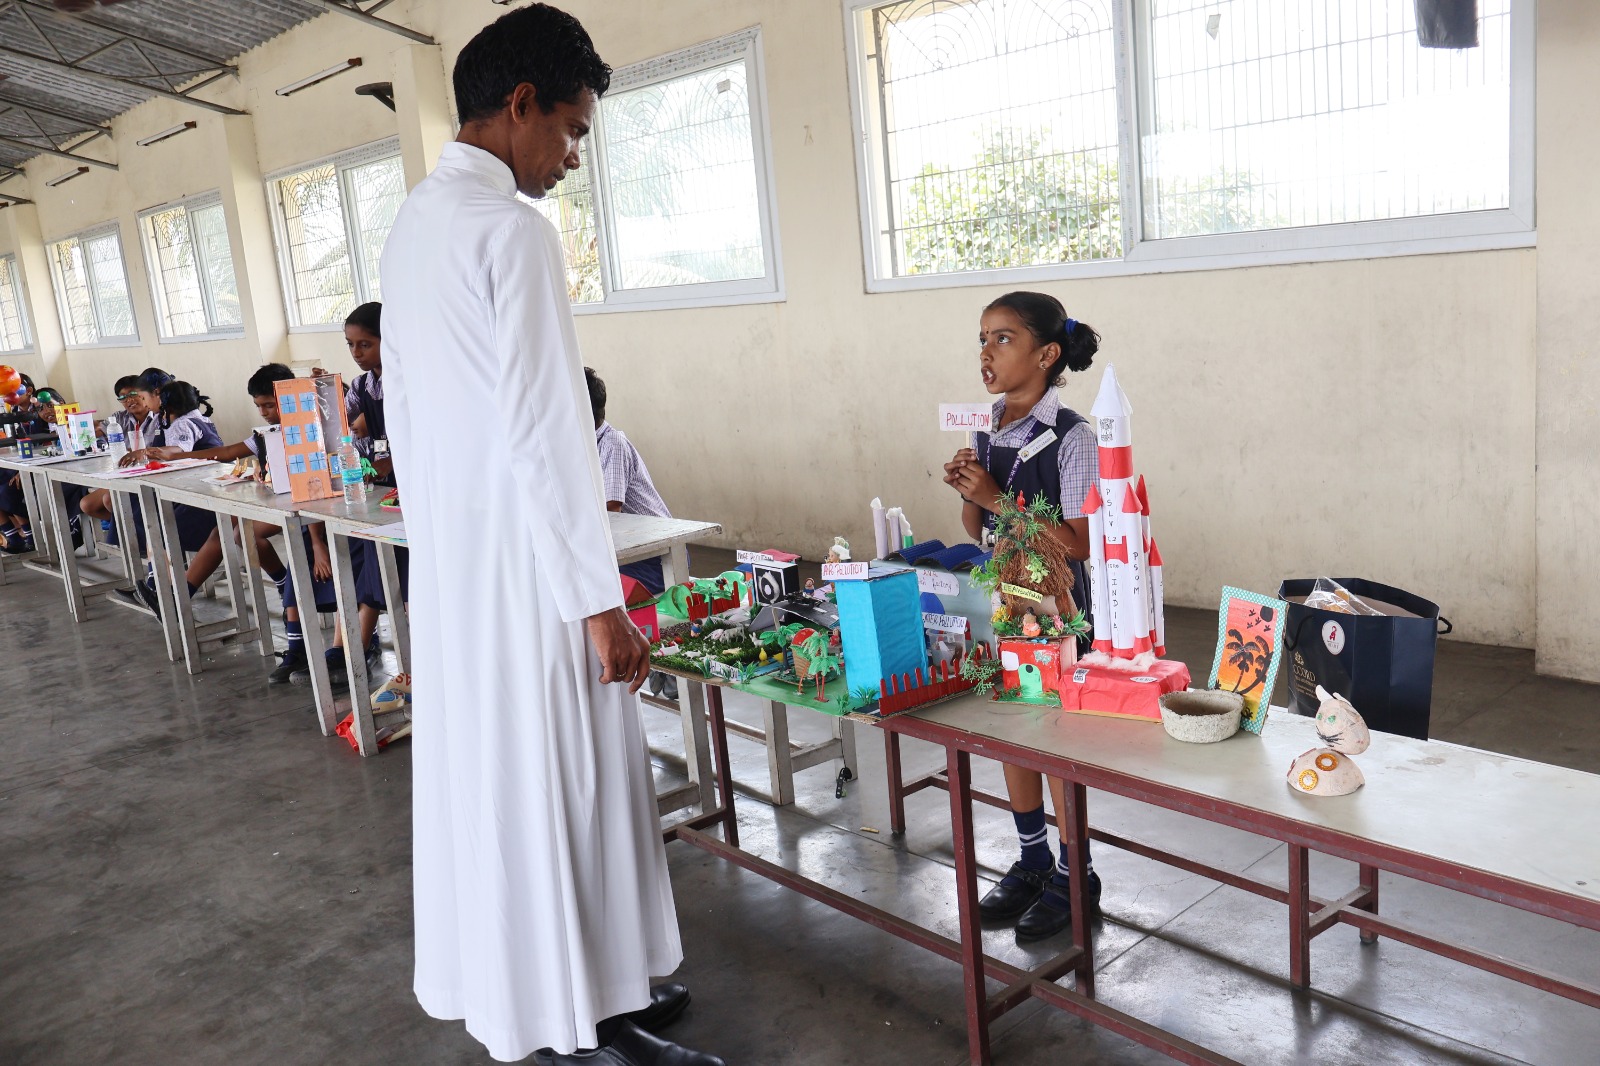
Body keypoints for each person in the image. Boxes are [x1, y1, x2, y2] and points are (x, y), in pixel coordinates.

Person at [380, 7, 714, 1065]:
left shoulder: (417, 223)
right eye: (570, 131)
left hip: (464, 569)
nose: (571, 157)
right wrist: (598, 602)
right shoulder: (510, 230)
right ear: (519, 106)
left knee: (506, 791)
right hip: (533, 578)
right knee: (564, 790)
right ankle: (578, 1027)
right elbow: (547, 430)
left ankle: (585, 995)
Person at [943, 290, 1102, 942]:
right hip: (1004, 600)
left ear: (1047, 354)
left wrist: (995, 497)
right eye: (982, 339)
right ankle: (1033, 858)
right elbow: (974, 526)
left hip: (1057, 610)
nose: (987, 352)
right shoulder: (988, 426)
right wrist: (968, 491)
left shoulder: (1073, 437)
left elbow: (1078, 542)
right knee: (1012, 730)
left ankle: (1075, 874)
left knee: (1057, 743)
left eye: (1003, 339)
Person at [586, 366, 679, 702]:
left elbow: (609, 512)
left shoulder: (611, 443)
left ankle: (661, 668)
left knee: (594, 590)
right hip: (629, 551)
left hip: (653, 555)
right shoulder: (582, 447)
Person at [0, 386, 86, 553]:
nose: (46, 411)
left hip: (70, 474)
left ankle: (62, 531)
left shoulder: (76, 422)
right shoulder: (38, 427)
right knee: (7, 485)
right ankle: (22, 537)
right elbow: (38, 452)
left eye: (50, 405)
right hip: (42, 471)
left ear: (61, 403)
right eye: (40, 409)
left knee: (12, 489)